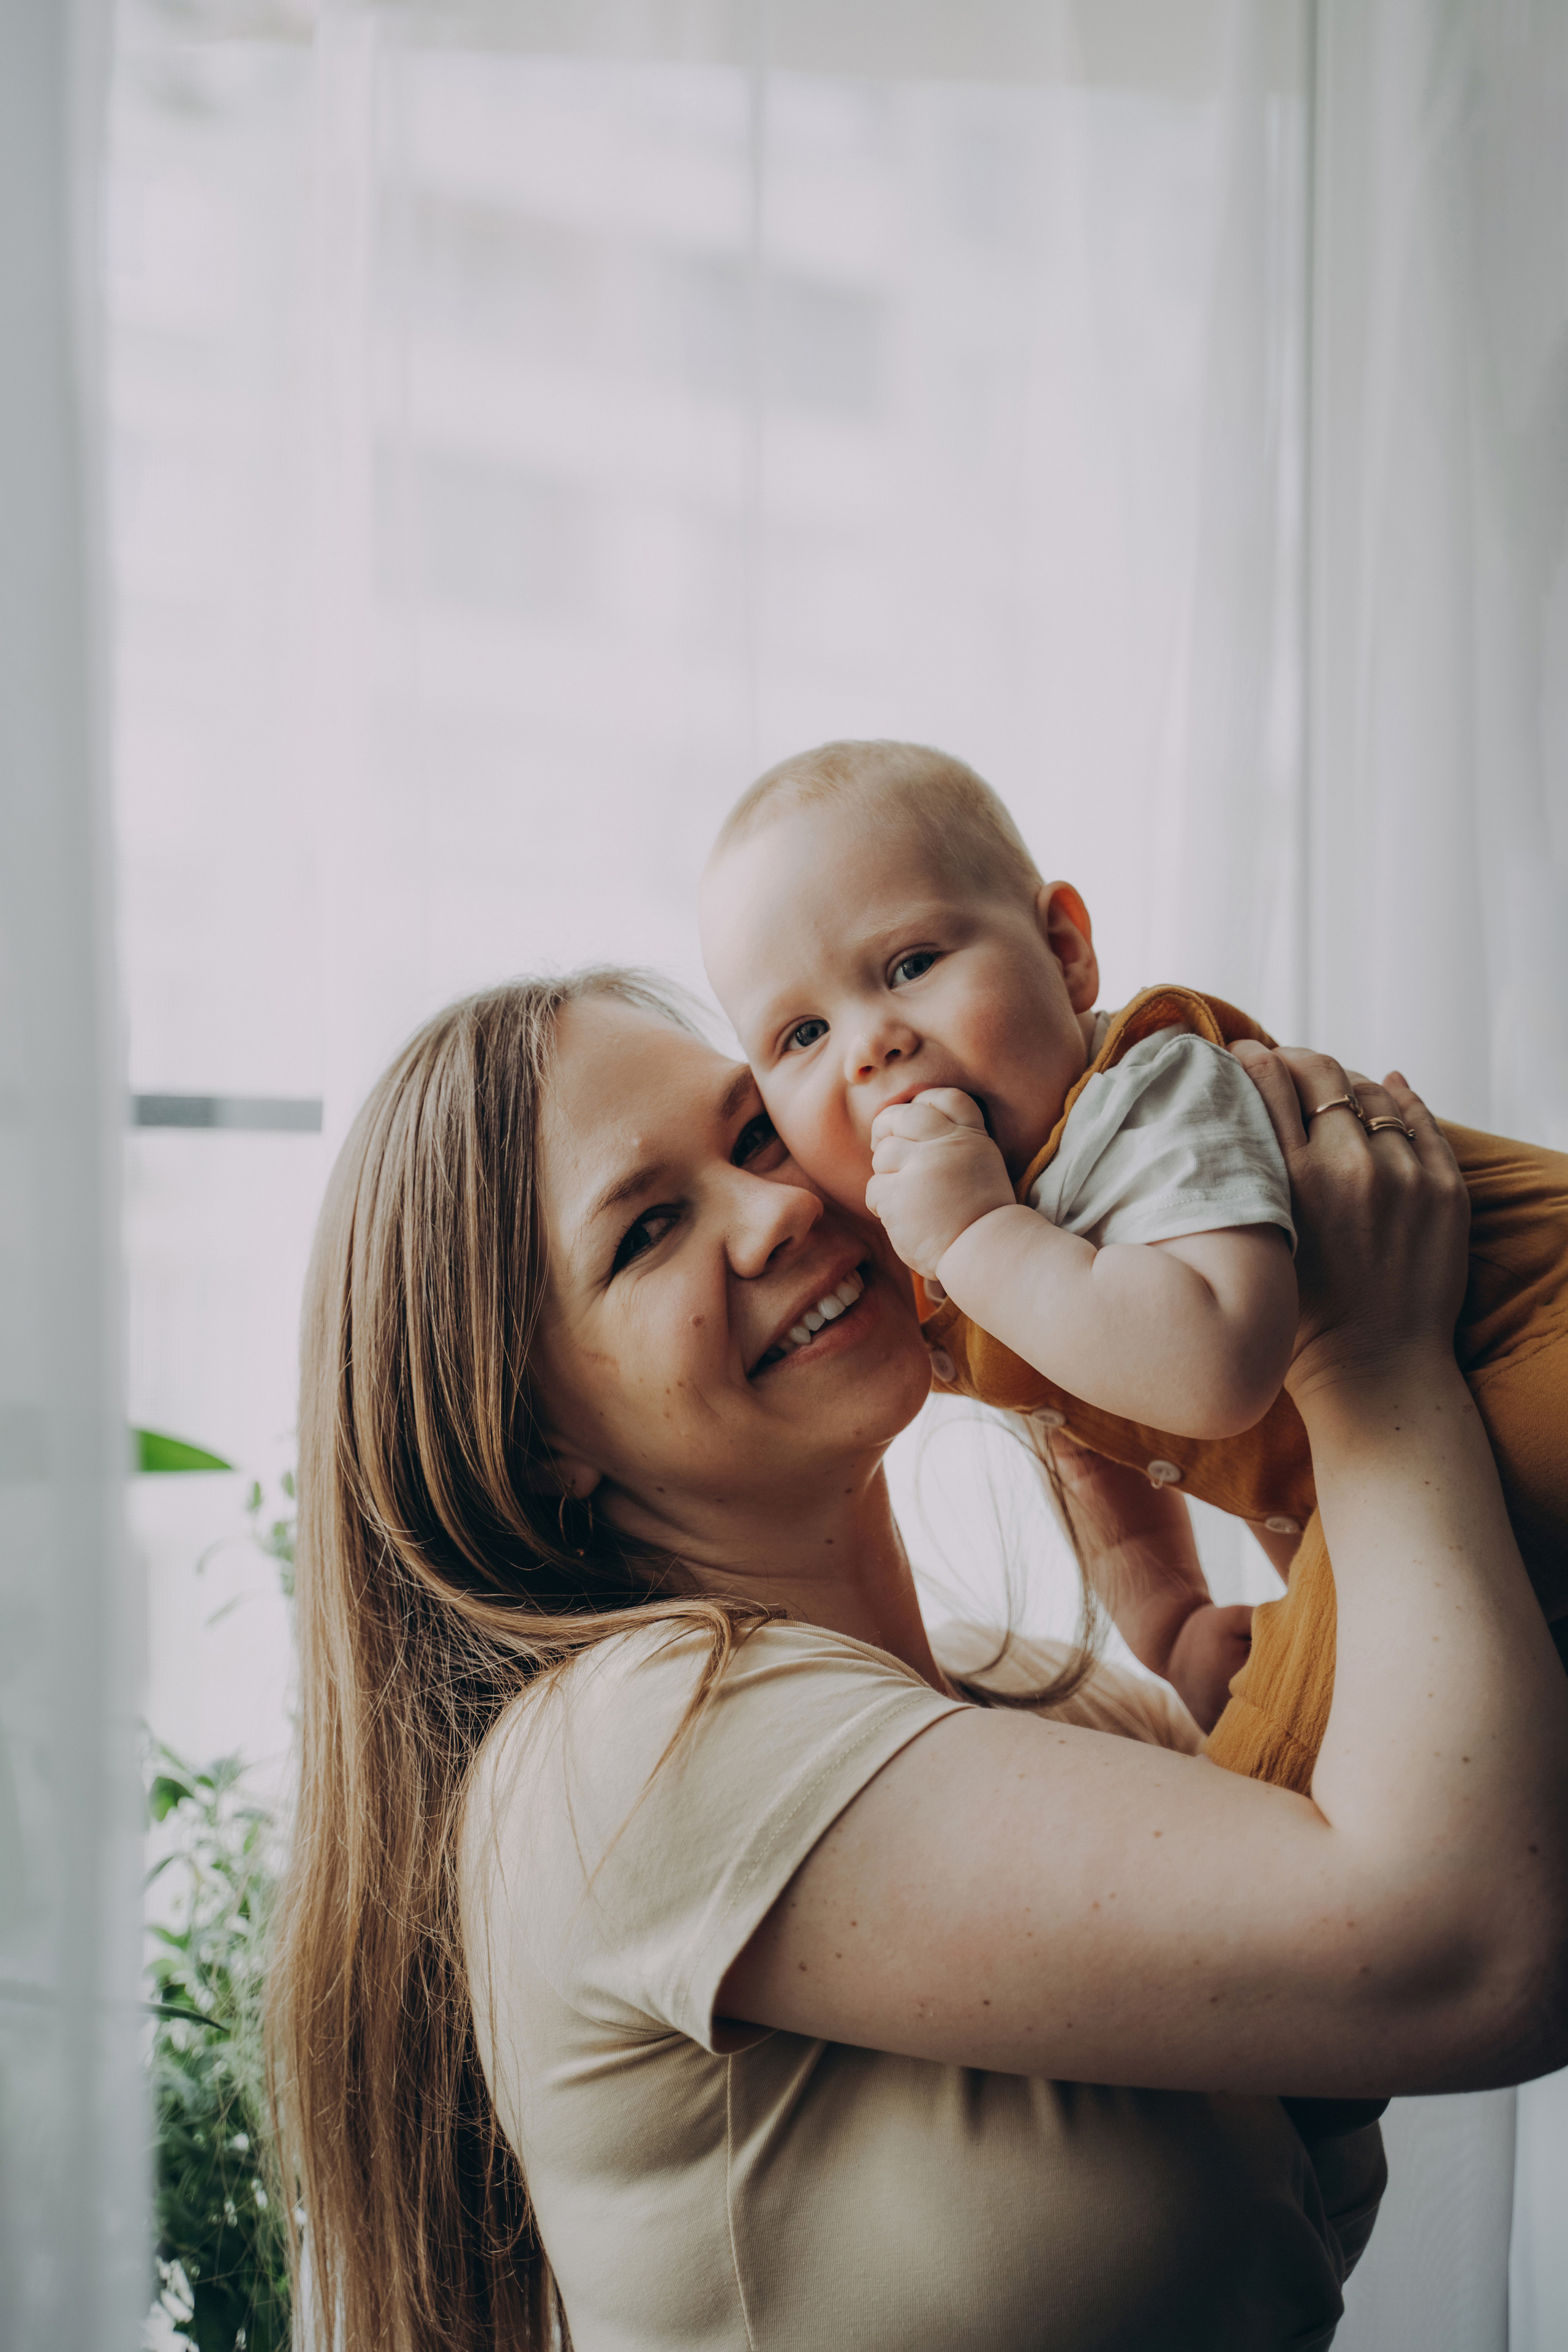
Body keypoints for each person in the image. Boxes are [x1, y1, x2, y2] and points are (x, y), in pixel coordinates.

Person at [267, 965, 1568, 2351]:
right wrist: (1366, 1362)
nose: (775, 1209)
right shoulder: (620, 1748)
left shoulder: (1078, 1709)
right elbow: (1473, 1951)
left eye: (756, 1134)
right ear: (537, 1444)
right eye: (646, 1230)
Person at [699, 738, 1568, 1779]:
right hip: (1427, 1449)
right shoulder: (968, 1249)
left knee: (1276, 1774)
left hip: (1533, 1357)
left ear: (1065, 952)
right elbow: (1081, 1422)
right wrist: (1172, 1621)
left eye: (912, 965)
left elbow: (1212, 1361)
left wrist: (977, 1237)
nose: (869, 1046)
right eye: (802, 1035)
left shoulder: (1151, 1090)